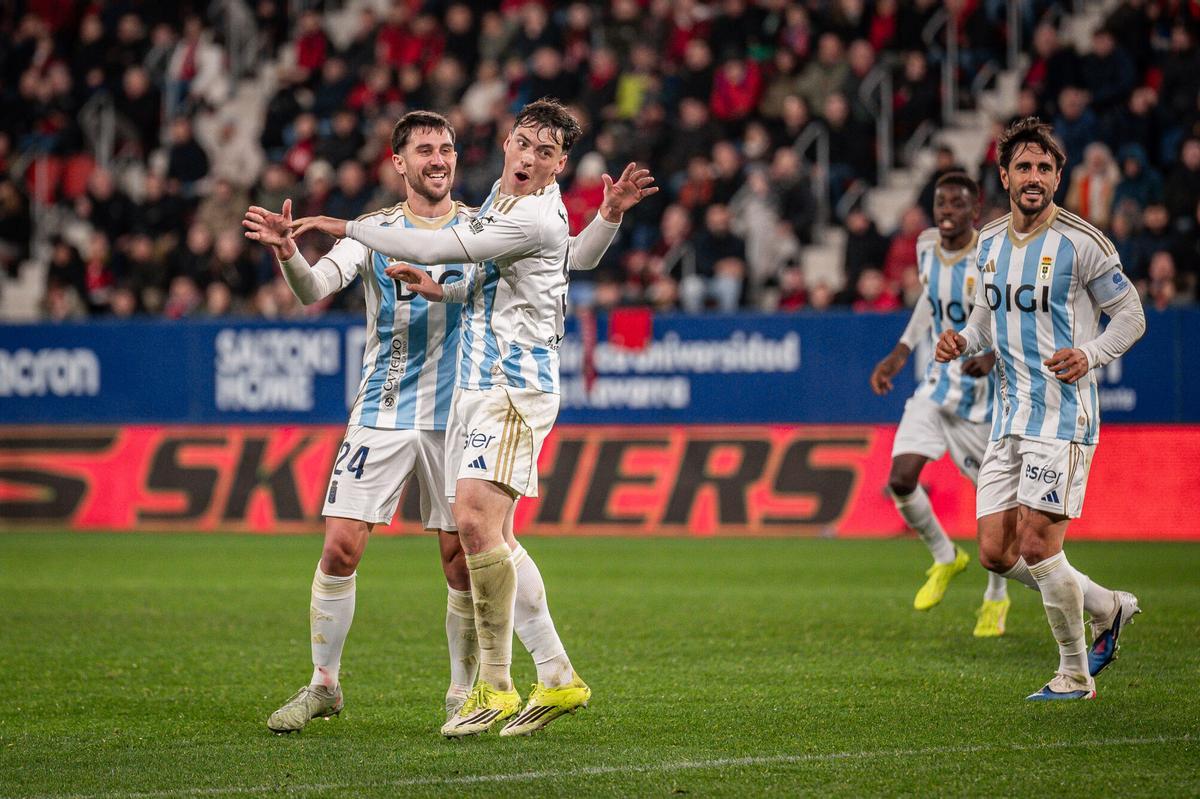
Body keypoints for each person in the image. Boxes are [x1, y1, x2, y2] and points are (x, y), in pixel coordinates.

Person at [245, 109, 652, 734]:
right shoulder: (440, 216)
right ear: (399, 161)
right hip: (387, 407)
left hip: (470, 400)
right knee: (350, 545)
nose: (437, 160)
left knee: (468, 551)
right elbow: (313, 288)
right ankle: (329, 683)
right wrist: (291, 253)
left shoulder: (478, 221)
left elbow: (483, 253)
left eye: (446, 149)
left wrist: (336, 222)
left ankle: (475, 690)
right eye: (425, 150)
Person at [935, 118, 1146, 700]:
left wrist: (1091, 353)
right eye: (1024, 167)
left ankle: (1074, 674)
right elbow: (985, 318)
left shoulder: (1083, 243)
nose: (1034, 177)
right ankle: (1107, 606)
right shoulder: (989, 241)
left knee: (1037, 546)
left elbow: (1131, 316)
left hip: (1062, 417)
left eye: (1045, 168)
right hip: (1008, 418)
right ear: (1004, 176)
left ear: (1058, 177)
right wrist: (962, 340)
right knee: (995, 552)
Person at [870, 172, 1013, 635]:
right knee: (900, 479)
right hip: (935, 387)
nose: (947, 211)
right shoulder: (926, 245)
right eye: (941, 203)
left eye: (957, 204)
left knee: (993, 507)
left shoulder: (991, 256)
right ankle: (945, 556)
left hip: (980, 401)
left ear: (975, 211)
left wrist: (992, 356)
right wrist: (899, 353)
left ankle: (996, 597)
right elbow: (930, 303)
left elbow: (1010, 314)